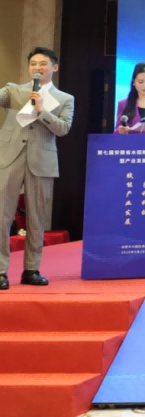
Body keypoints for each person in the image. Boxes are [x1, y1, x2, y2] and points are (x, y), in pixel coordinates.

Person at [0, 47, 75, 290]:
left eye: (43, 63)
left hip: (41, 161)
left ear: (55, 67)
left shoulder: (65, 98)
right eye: (33, 63)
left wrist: (42, 110)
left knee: (36, 217)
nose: (37, 68)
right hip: (9, 158)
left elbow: (63, 129)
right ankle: (0, 271)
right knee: (2, 216)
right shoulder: (14, 91)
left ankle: (31, 269)